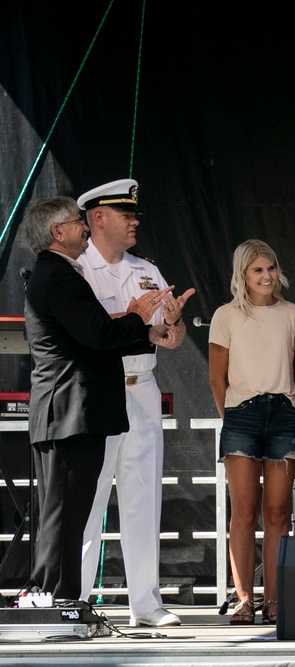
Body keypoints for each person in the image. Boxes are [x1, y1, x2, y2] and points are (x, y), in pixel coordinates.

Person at [22, 196, 175, 601]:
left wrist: (157, 327)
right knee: (74, 510)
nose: (84, 229)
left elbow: (106, 333)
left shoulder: (135, 270)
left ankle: (126, 601)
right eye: (78, 223)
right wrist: (137, 318)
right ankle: (64, 598)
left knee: (119, 501)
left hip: (115, 395)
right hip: (75, 404)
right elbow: (97, 334)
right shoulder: (65, 272)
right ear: (59, 231)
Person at [76, 179, 194, 627]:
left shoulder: (146, 269)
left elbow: (171, 337)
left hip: (141, 387)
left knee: (144, 496)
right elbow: (83, 328)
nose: (135, 221)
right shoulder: (79, 269)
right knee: (88, 499)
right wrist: (134, 316)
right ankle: (78, 600)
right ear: (98, 218)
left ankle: (145, 603)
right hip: (98, 389)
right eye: (126, 215)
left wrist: (175, 322)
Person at [208, 240, 295, 624]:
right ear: (242, 275)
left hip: (283, 414)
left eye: (270, 267)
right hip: (241, 417)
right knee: (244, 513)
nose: (266, 276)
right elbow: (217, 378)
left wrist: (281, 402)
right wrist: (232, 416)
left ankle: (276, 601)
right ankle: (244, 600)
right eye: (257, 270)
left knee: (278, 513)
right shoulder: (225, 315)